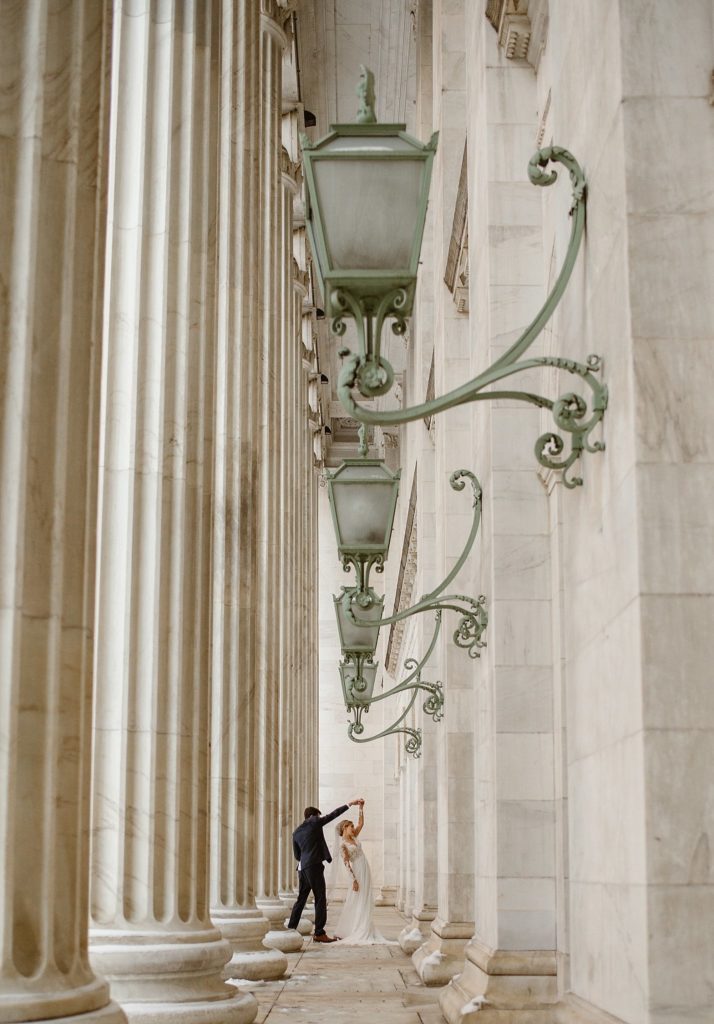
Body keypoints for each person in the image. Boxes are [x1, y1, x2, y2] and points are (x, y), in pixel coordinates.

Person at [287, 798, 363, 943]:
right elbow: (333, 815)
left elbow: (297, 855)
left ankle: (291, 928)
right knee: (320, 898)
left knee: (300, 900)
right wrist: (350, 804)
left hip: (302, 868)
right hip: (314, 866)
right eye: (318, 816)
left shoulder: (296, 832)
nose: (320, 818)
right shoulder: (314, 821)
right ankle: (319, 933)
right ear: (314, 815)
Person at [333, 800, 387, 944]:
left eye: (352, 826)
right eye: (350, 826)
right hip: (357, 872)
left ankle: (365, 925)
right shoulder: (343, 845)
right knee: (357, 898)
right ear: (344, 828)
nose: (353, 828)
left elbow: (361, 823)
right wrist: (354, 880)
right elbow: (346, 863)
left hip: (365, 868)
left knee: (366, 897)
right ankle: (354, 928)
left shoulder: (354, 837)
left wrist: (361, 808)